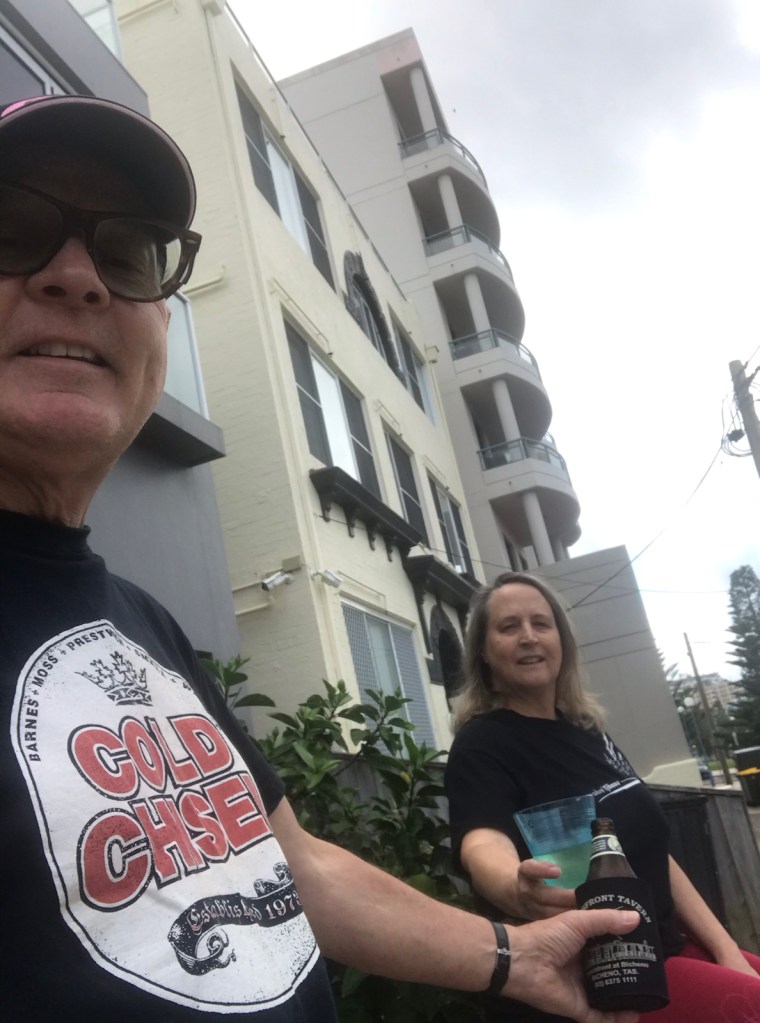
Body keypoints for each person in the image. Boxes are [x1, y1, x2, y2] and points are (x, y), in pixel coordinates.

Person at [0, 94, 642, 1023]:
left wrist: (513, 954)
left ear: (161, 328)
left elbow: (293, 864)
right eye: (12, 230)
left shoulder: (141, 627)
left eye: (127, 253)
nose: (78, 278)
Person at [445, 571, 760, 1023]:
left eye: (541, 623)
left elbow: (653, 854)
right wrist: (513, 886)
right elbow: (482, 843)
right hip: (601, 972)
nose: (528, 637)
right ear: (483, 651)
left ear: (562, 640)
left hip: (665, 945)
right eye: (508, 626)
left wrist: (726, 949)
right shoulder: (483, 743)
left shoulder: (588, 732)